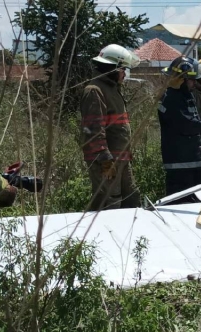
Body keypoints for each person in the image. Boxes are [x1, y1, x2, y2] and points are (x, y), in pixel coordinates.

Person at [80, 44, 141, 211]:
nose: (124, 74)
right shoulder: (95, 90)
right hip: (106, 161)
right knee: (109, 204)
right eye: (123, 70)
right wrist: (105, 161)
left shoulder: (111, 89)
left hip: (120, 159)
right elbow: (94, 130)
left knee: (131, 199)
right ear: (113, 69)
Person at [158, 56, 201, 202]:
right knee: (180, 205)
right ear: (181, 79)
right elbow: (188, 125)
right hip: (180, 163)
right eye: (192, 79)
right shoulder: (172, 98)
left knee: (195, 202)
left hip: (192, 161)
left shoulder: (184, 95)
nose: (194, 83)